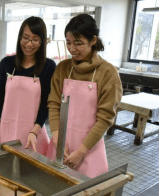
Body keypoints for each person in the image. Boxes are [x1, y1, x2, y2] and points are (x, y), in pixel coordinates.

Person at [47, 14, 123, 178]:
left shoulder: (109, 73)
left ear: (93, 40)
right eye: (68, 43)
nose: (72, 48)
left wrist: (81, 151)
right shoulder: (63, 68)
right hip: (60, 146)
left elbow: (105, 118)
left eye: (78, 43)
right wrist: (56, 137)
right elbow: (53, 104)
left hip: (89, 151)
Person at [0, 16, 56, 154]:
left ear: (42, 42)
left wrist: (34, 132)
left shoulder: (48, 66)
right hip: (7, 130)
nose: (29, 44)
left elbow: (45, 103)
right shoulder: (6, 63)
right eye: (25, 38)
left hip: (33, 133)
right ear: (19, 38)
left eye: (35, 39)